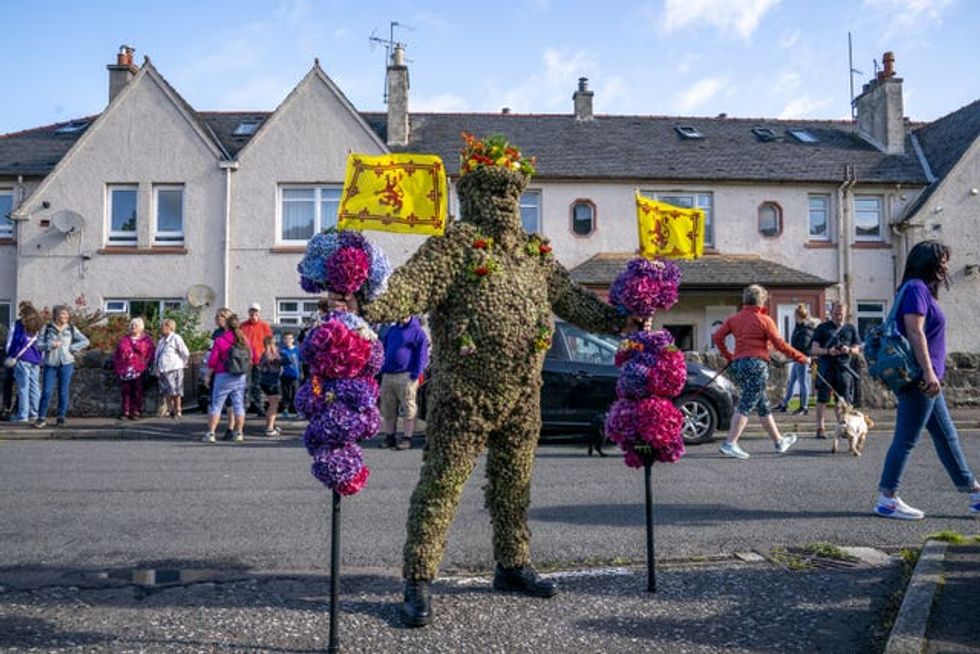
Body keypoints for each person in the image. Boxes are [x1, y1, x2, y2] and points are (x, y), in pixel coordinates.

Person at [874, 240, 980, 519]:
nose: (946, 265)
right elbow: (914, 331)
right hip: (920, 379)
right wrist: (929, 371)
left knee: (947, 437)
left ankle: (974, 491)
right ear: (927, 262)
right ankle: (887, 498)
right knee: (906, 440)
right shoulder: (917, 289)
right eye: (942, 259)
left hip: (927, 380)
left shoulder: (919, 290)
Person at [712, 284, 809, 459]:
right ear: (761, 300)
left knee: (762, 404)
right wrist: (801, 357)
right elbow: (780, 344)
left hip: (739, 365)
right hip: (757, 365)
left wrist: (729, 355)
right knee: (746, 403)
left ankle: (779, 441)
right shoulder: (764, 320)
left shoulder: (734, 319)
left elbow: (717, 336)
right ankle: (730, 443)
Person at [378, 315, 430, 450]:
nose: (403, 315)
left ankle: (407, 438)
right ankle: (390, 437)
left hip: (407, 375)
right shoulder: (392, 330)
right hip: (388, 375)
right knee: (388, 408)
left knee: (408, 408)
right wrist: (381, 369)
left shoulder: (418, 332)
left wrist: (416, 374)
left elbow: (422, 355)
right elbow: (383, 349)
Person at [811, 301, 863, 439]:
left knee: (843, 401)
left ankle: (843, 426)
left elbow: (858, 349)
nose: (838, 316)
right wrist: (828, 351)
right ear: (831, 312)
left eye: (840, 314)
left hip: (844, 368)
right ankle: (820, 428)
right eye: (835, 313)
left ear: (845, 314)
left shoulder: (851, 328)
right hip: (826, 367)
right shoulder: (822, 328)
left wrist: (849, 349)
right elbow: (814, 349)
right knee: (822, 400)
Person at [35, 305, 89, 428]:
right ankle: (41, 418)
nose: (66, 316)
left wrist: (72, 348)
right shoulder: (47, 327)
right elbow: (38, 345)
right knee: (47, 392)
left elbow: (85, 341)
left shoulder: (71, 328)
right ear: (56, 315)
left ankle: (61, 417)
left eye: (66, 314)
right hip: (50, 364)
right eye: (63, 314)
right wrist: (50, 344)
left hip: (67, 363)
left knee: (63, 392)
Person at [203, 313, 248, 443]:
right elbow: (253, 356)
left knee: (216, 405)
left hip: (223, 374)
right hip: (240, 375)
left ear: (227, 326)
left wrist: (207, 376)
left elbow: (213, 360)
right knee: (238, 405)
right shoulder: (244, 339)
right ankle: (239, 433)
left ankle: (211, 433)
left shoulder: (220, 340)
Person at [774, 303, 818, 415]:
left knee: (803, 383)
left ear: (799, 316)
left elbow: (803, 346)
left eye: (795, 315)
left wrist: (791, 353)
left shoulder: (806, 329)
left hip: (801, 358)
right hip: (796, 358)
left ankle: (804, 406)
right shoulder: (799, 327)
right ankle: (784, 404)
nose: (794, 317)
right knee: (791, 381)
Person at [6, 301, 44, 423]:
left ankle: (23, 415)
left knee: (23, 387)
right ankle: (35, 413)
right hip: (36, 360)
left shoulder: (18, 326)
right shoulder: (39, 327)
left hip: (22, 360)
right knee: (35, 387)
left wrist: (11, 356)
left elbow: (11, 344)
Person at [241, 302, 272, 417]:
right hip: (246, 360)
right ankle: (245, 406)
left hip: (260, 360)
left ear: (259, 313)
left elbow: (269, 342)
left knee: (258, 384)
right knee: (245, 384)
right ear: (248, 312)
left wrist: (268, 354)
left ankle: (260, 406)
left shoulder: (265, 326)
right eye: (251, 311)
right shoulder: (243, 326)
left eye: (255, 312)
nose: (253, 314)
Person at [155, 318, 190, 419]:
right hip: (163, 369)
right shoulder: (161, 340)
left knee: (176, 391)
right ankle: (170, 410)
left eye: (163, 326)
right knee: (166, 391)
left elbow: (185, 352)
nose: (161, 328)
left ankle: (178, 410)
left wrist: (182, 363)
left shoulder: (176, 338)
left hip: (174, 368)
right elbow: (157, 355)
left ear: (169, 327)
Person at [210, 308, 236, 438]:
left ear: (225, 318)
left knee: (220, 402)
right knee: (230, 402)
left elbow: (213, 354)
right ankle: (231, 430)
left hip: (224, 370)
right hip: (233, 370)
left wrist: (208, 371)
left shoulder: (220, 334)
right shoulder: (235, 333)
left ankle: (215, 431)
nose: (216, 320)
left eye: (218, 317)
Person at [258, 335, 283, 436]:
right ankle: (269, 428)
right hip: (272, 383)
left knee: (271, 404)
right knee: (273, 405)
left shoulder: (264, 354)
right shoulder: (274, 356)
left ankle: (270, 424)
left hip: (264, 382)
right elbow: (285, 362)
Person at [279, 332, 300, 418]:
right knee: (286, 392)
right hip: (285, 375)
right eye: (286, 338)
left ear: (293, 340)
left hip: (295, 374)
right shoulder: (282, 351)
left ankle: (296, 409)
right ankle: (285, 409)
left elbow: (302, 361)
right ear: (283, 340)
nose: (288, 340)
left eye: (289, 338)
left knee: (296, 392)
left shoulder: (297, 350)